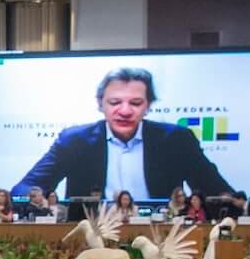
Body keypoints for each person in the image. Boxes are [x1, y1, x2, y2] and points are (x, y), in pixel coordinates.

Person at [13, 66, 232, 203]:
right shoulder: (75, 141)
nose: (125, 111)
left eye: (135, 103)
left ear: (148, 105)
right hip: (92, 233)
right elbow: (23, 188)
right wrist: (37, 197)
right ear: (100, 104)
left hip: (161, 233)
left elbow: (220, 192)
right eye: (115, 102)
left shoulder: (177, 140)